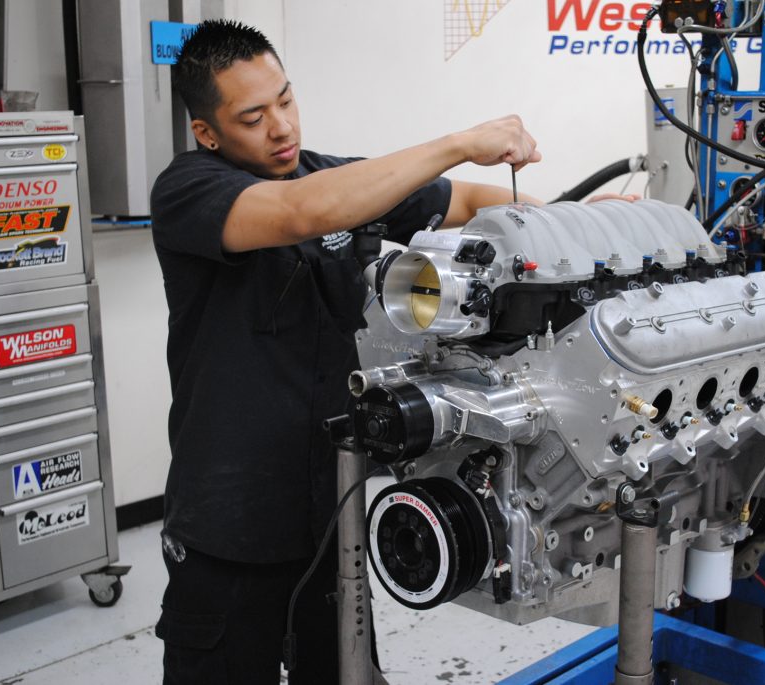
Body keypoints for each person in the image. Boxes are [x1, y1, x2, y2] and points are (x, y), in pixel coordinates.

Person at [150, 19, 541, 685]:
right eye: (253, 116)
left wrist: (571, 224)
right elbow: (305, 212)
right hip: (230, 525)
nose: (280, 127)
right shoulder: (188, 190)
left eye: (285, 99)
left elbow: (471, 198)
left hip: (331, 513)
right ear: (208, 131)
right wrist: (458, 142)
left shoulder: (331, 177)